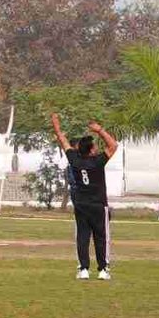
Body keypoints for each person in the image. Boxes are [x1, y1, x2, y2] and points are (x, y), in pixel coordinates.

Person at [52, 112, 118, 280]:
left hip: (81, 205)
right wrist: (100, 130)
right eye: (94, 146)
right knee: (101, 237)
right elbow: (113, 146)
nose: (97, 148)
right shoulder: (98, 161)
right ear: (91, 150)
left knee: (82, 237)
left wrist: (57, 127)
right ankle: (103, 270)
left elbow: (63, 141)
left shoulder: (74, 160)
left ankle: (83, 269)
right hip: (98, 205)